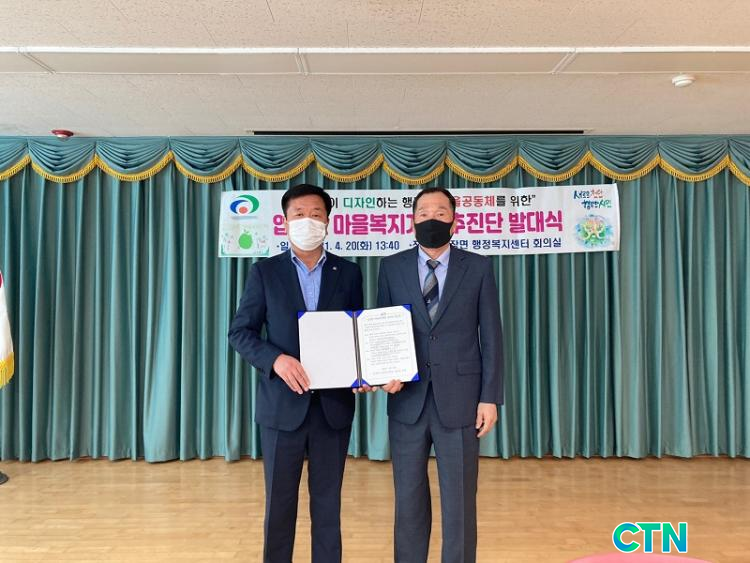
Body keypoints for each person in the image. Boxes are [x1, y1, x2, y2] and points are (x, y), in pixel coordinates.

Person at [228, 183, 363, 563]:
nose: (308, 221)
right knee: (279, 505)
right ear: (285, 222)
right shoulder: (265, 272)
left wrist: (363, 369)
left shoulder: (348, 273)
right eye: (299, 214)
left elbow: (357, 332)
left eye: (316, 214)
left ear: (328, 222)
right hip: (281, 408)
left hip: (332, 409)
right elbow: (240, 332)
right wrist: (276, 360)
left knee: (328, 505)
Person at [376, 186, 504, 563]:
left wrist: (490, 397)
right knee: (408, 500)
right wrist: (383, 372)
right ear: (411, 221)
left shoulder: (478, 267)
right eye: (423, 213)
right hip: (407, 401)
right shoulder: (391, 267)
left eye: (440, 212)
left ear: (454, 221)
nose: (431, 218)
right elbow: (381, 328)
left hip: (461, 401)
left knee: (460, 501)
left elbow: (492, 335)